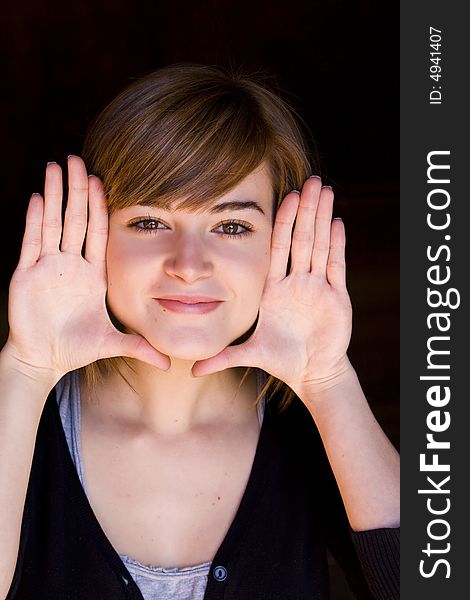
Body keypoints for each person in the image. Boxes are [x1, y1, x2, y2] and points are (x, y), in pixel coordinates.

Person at [0, 63, 399, 600]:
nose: (189, 264)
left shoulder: (312, 432)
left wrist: (329, 381)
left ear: (281, 242)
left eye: (232, 226)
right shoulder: (22, 422)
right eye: (149, 222)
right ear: (96, 232)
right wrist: (24, 371)